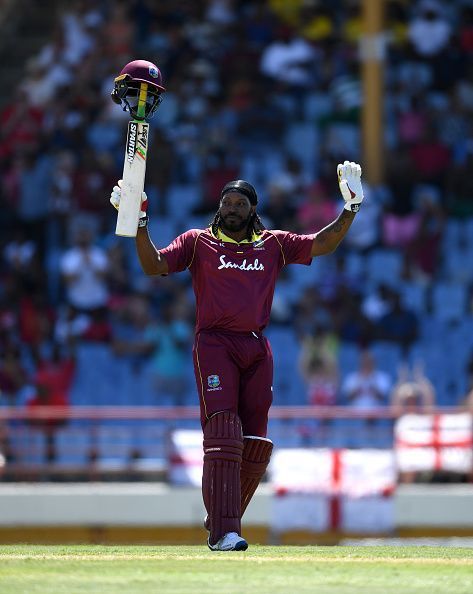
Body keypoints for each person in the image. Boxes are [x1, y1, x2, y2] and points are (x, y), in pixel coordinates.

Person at [110, 161, 364, 551]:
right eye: (226, 202)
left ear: (252, 210)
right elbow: (154, 265)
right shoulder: (198, 241)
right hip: (214, 343)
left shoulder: (273, 244)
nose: (231, 208)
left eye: (240, 204)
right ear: (218, 207)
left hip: (256, 346)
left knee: (256, 444)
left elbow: (322, 243)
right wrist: (139, 223)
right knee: (223, 432)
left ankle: (222, 519)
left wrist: (350, 209)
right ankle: (224, 532)